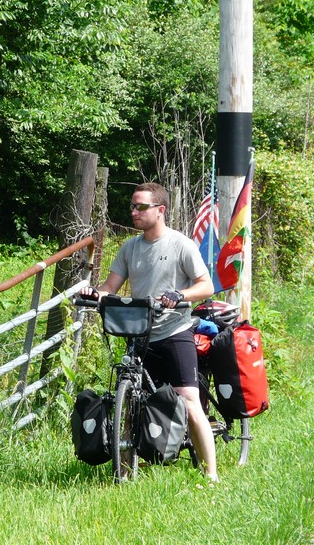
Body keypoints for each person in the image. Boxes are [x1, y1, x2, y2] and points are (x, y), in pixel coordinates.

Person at [80, 182, 217, 481]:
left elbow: (206, 286)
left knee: (189, 400)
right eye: (132, 206)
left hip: (174, 331)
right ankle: (125, 474)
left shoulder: (180, 244)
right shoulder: (130, 248)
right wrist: (94, 294)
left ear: (160, 210)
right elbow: (109, 288)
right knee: (131, 402)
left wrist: (181, 295)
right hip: (141, 335)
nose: (134, 212)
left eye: (141, 207)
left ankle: (211, 475)